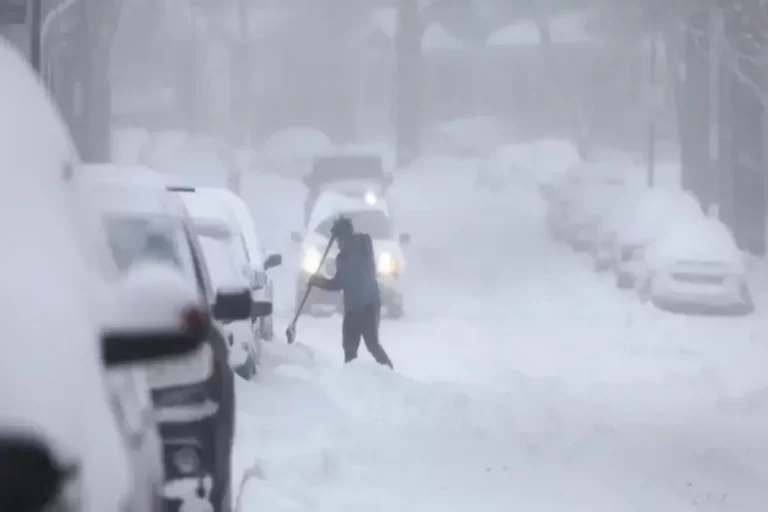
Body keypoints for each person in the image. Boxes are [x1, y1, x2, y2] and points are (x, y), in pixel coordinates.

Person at [308, 217, 393, 368]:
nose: (338, 245)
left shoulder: (363, 247)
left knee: (372, 344)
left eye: (339, 240)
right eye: (336, 241)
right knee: (349, 348)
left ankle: (390, 374)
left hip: (369, 305)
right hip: (352, 308)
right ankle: (351, 380)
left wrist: (343, 232)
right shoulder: (341, 259)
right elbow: (338, 283)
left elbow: (358, 247)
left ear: (346, 237)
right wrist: (318, 281)